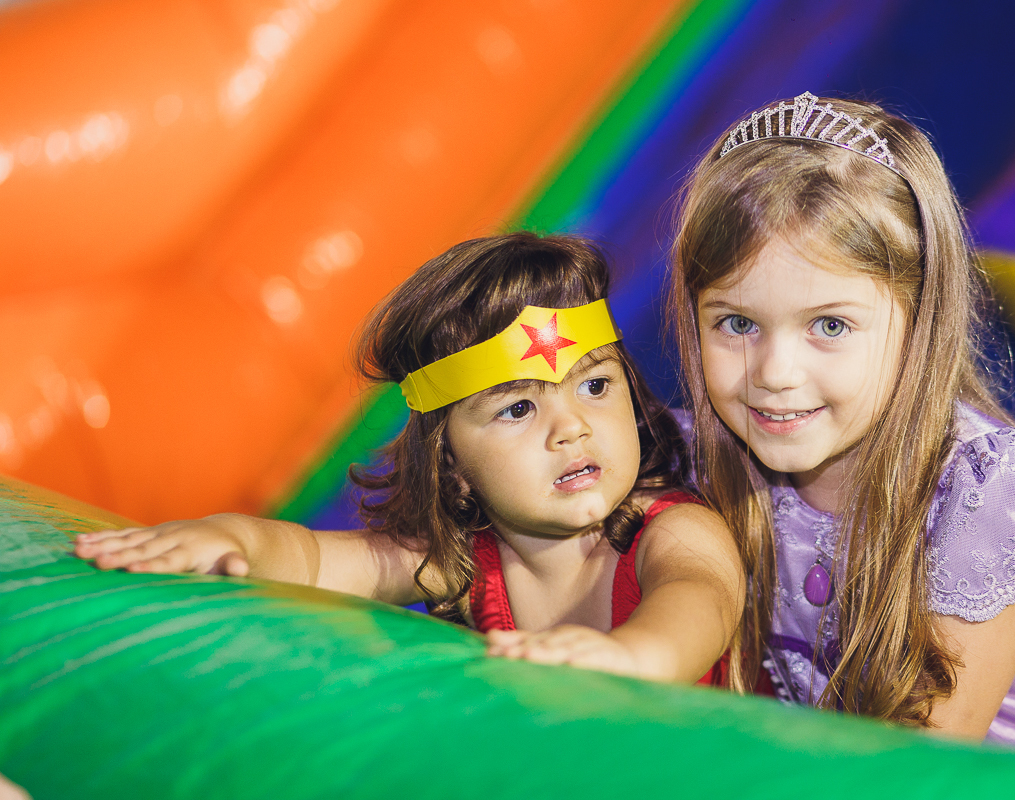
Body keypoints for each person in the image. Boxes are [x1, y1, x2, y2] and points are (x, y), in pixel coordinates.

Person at [668, 91, 1015, 792]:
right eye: (736, 324)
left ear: (920, 322)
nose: (774, 375)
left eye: (829, 325)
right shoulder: (704, 454)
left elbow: (916, 766)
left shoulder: (992, 494)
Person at [75, 233, 746, 689]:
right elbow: (314, 561)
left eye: (595, 386)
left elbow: (701, 602)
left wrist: (631, 656)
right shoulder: (460, 560)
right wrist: (233, 539)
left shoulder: (671, 531)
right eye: (517, 409)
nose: (571, 428)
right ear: (452, 462)